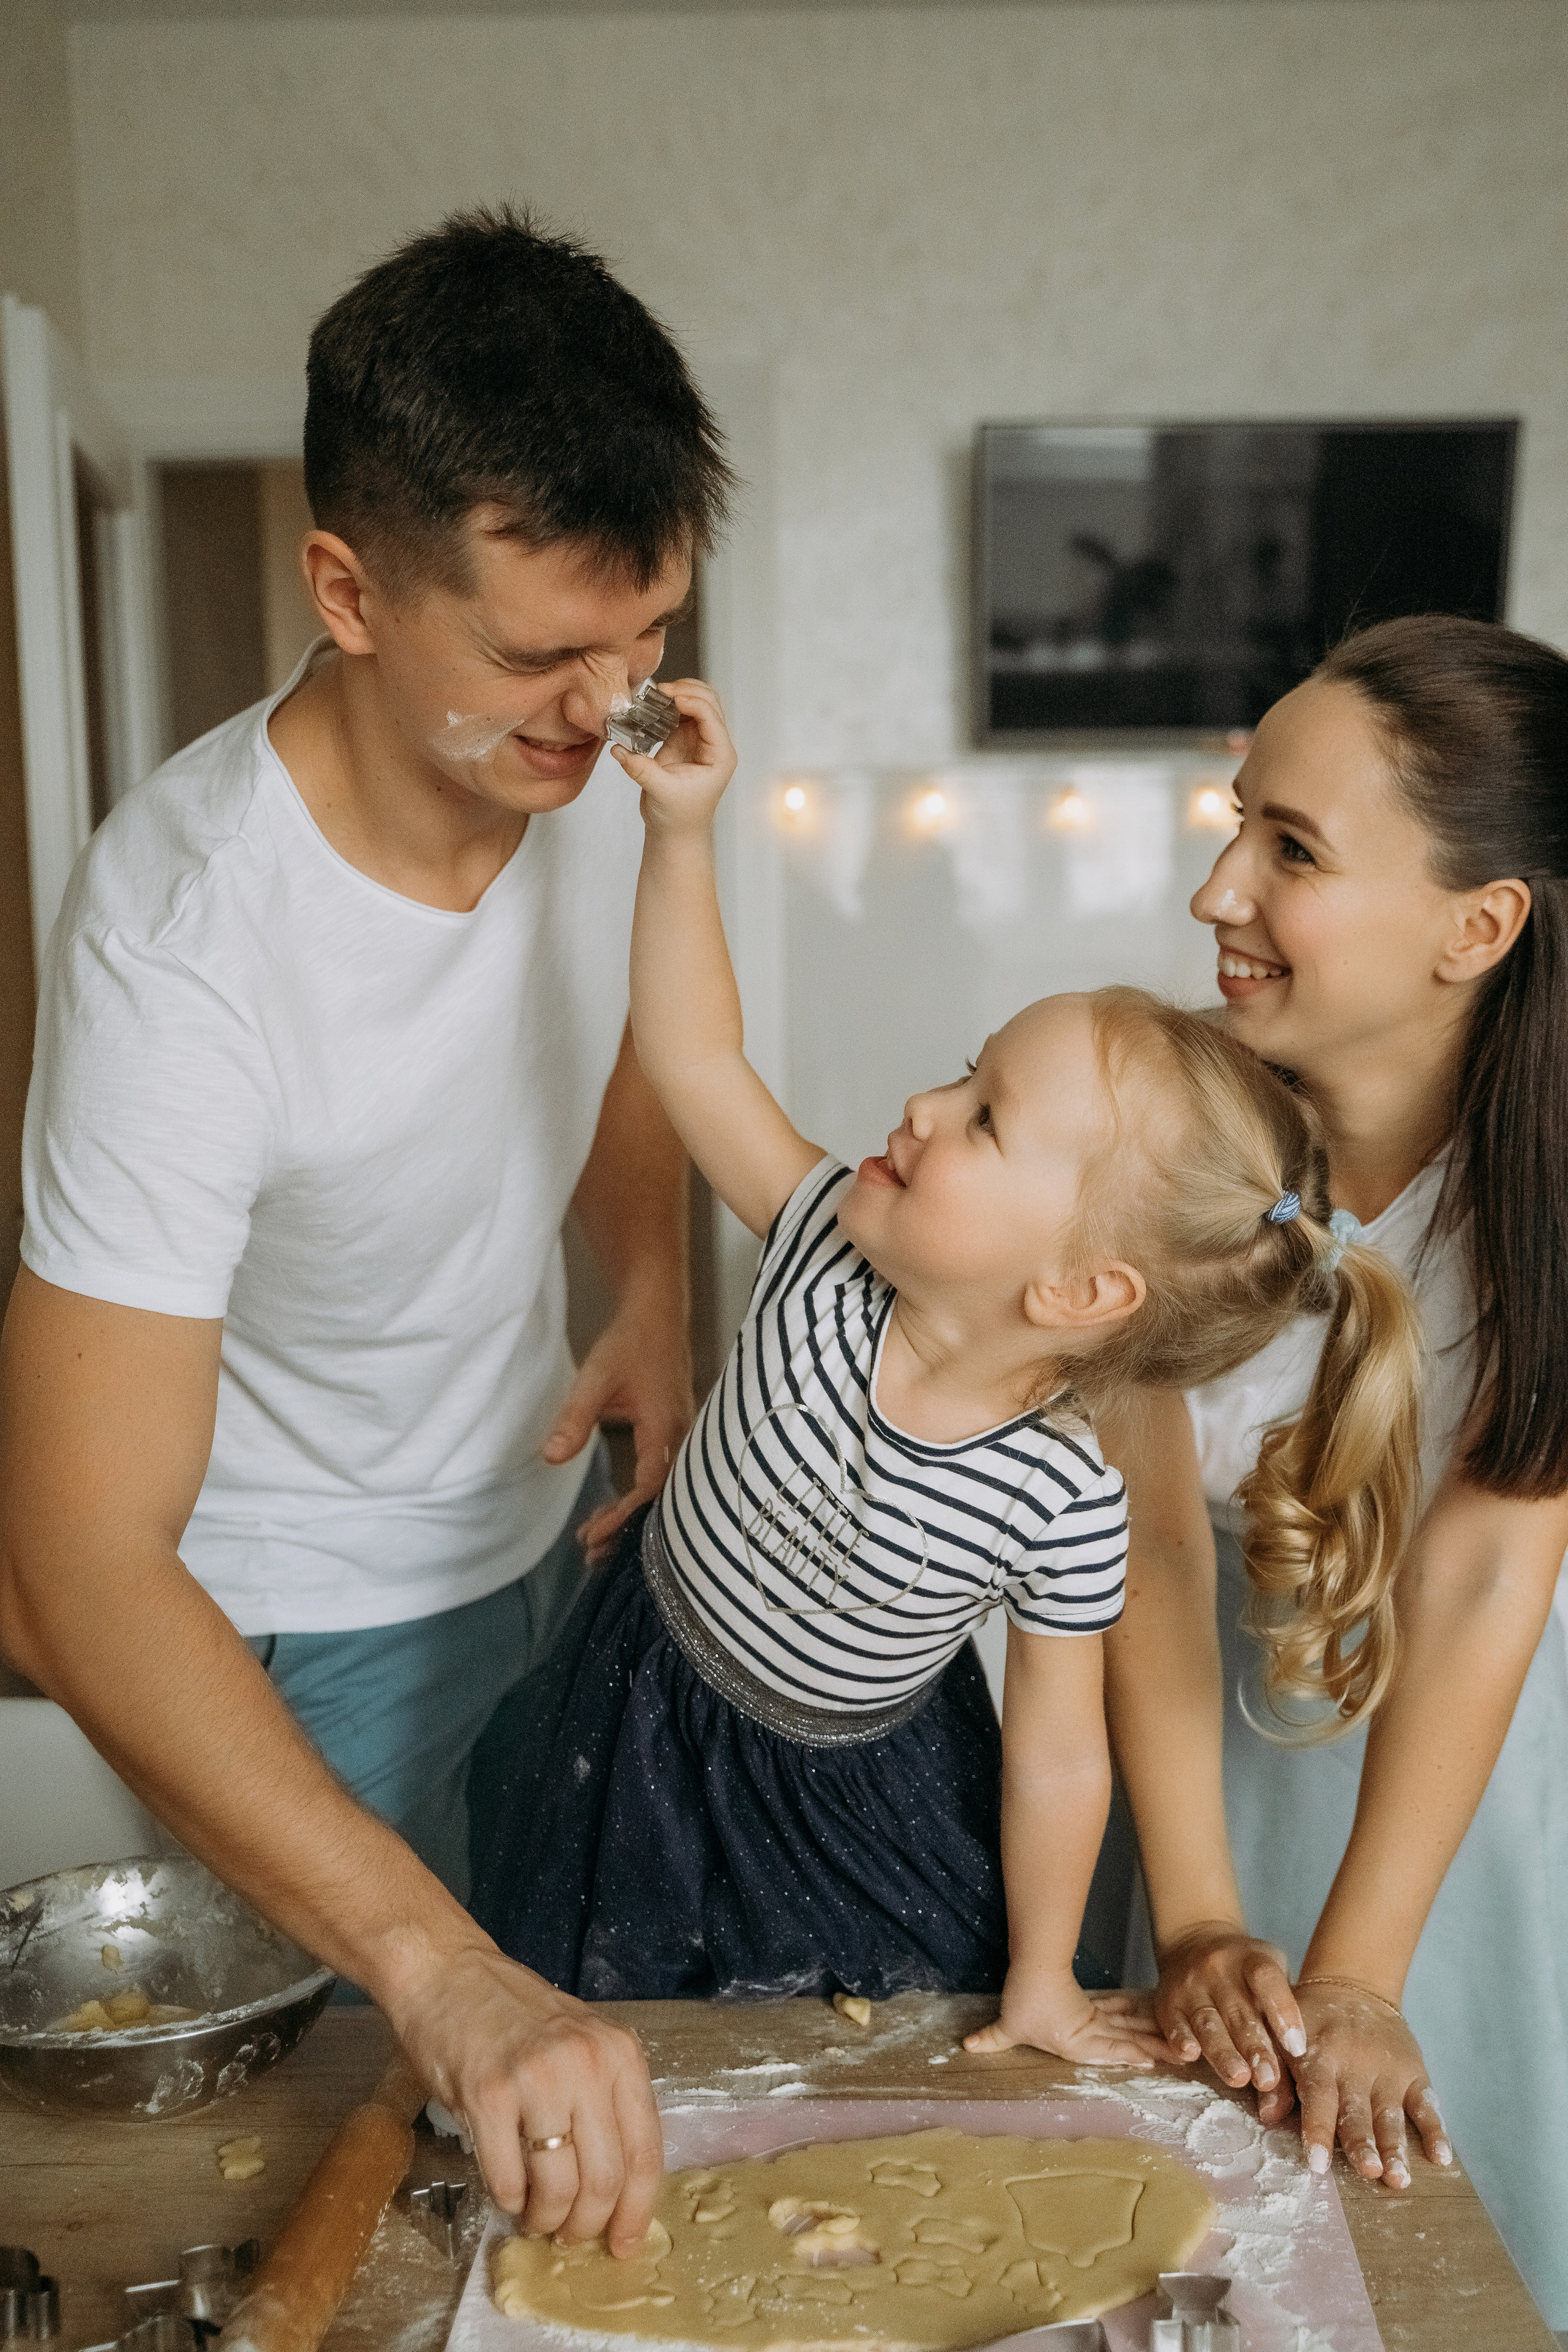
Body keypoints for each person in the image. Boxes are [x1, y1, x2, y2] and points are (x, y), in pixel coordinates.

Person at [0, 206, 734, 2251]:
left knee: (552, 2180)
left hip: (542, 1548)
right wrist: (433, 1970)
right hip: (281, 1639)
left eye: (647, 637)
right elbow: (61, 1566)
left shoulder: (588, 776)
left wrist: (653, 1285)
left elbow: (620, 1049)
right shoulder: (184, 932)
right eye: (538, 657)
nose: (610, 712)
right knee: (356, 2219)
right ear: (346, 590)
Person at [473, 674, 1425, 2070]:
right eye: (958, 1075)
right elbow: (692, 1051)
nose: (920, 1110)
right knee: (606, 2042)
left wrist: (1042, 1977)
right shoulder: (820, 1240)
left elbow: (1053, 1755)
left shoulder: (1059, 1502)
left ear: (1079, 1292)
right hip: (636, 1704)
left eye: (982, 1122)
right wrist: (678, 834)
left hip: (838, 1810)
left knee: (827, 2083)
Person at [1106, 616, 1568, 2326]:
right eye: (1239, 826)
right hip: (1191, 1781)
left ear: (1480, 925)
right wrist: (1196, 1915)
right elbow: (1145, 1557)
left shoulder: (1546, 1207)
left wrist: (1361, 1971)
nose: (1219, 893)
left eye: (1290, 848)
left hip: (1470, 1796)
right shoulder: (1173, 1146)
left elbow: (1483, 1571)